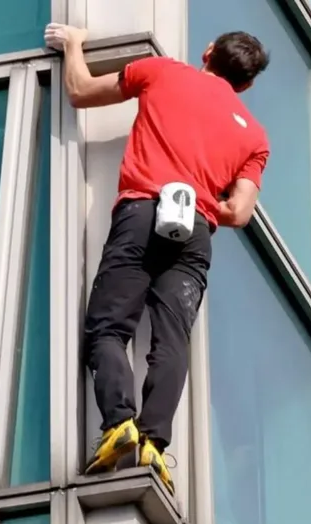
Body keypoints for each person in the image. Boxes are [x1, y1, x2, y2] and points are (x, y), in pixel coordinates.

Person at [44, 24, 271, 493]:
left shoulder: (162, 72)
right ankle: (154, 444)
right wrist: (204, 196)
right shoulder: (256, 139)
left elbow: (81, 91)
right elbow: (239, 212)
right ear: (246, 84)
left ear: (208, 52)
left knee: (108, 327)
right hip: (198, 234)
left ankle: (118, 425)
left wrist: (72, 45)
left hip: (143, 212)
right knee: (172, 338)